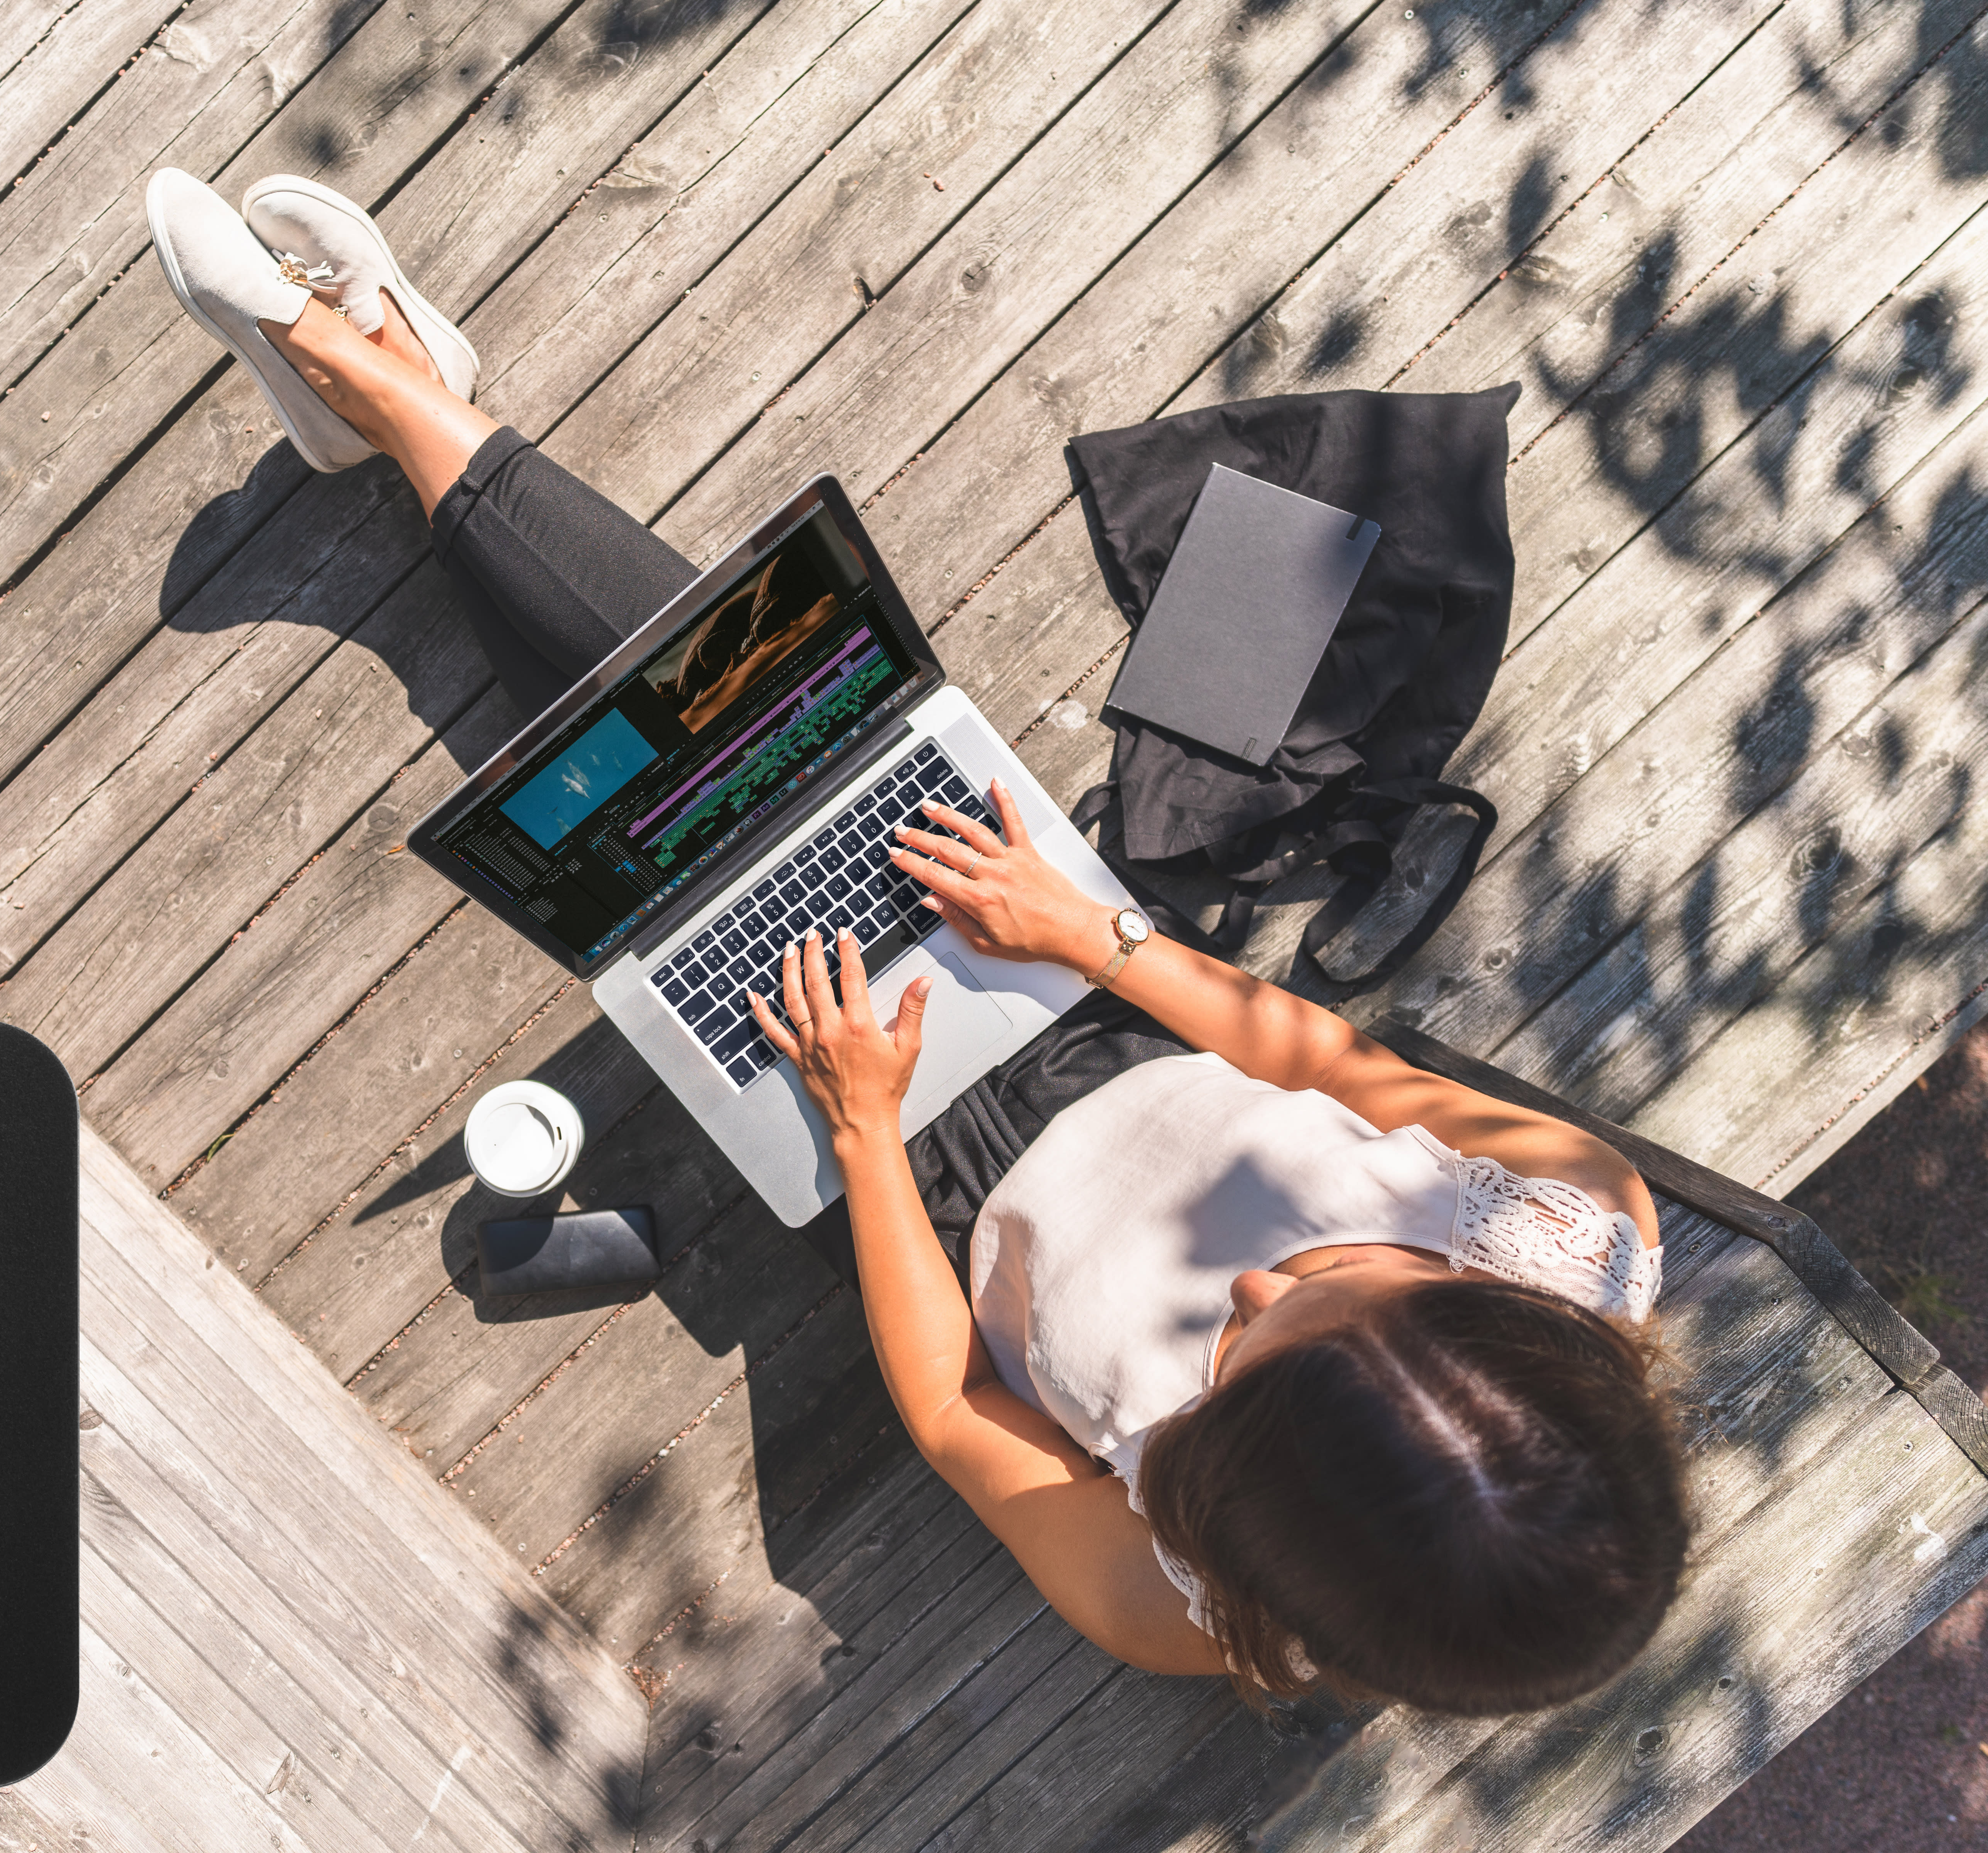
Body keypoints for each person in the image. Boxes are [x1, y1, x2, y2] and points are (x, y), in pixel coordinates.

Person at [147, 170, 1690, 1716]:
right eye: (1327, 1284)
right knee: (780, 726)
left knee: (642, 854)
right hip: (1106, 1008)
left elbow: (958, 1413)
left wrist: (866, 1133)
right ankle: (390, 395)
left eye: (1247, 1363)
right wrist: (1095, 934)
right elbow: (1329, 1061)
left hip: (920, 1199)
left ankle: (388, 383)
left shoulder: (1178, 1597)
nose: (1247, 1294)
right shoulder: (1578, 1222)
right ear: (1500, 1311)